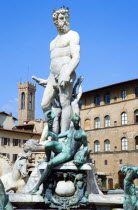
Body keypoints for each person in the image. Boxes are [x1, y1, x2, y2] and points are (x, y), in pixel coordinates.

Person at [32, 7, 80, 136]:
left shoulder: (73, 35)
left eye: (66, 18)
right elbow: (53, 63)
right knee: (44, 104)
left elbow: (76, 57)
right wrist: (47, 80)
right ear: (55, 21)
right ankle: (53, 129)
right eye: (61, 18)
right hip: (52, 76)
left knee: (65, 103)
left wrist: (67, 72)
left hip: (66, 72)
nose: (65, 21)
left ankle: (63, 135)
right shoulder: (52, 42)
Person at [30, 113, 88, 194]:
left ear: (79, 121)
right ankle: (47, 158)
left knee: (50, 164)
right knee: (48, 144)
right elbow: (57, 136)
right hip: (63, 146)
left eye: (77, 121)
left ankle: (37, 186)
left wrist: (83, 153)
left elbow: (86, 146)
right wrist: (50, 125)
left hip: (68, 152)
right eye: (74, 121)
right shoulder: (70, 130)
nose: (76, 123)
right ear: (72, 121)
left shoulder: (82, 134)